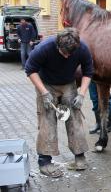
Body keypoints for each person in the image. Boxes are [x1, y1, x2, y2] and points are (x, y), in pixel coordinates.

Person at [25, 28, 93, 178]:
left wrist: (81, 94)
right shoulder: (44, 48)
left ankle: (80, 158)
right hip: (46, 84)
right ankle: (45, 162)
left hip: (69, 85)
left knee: (74, 118)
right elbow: (30, 69)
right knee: (47, 120)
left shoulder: (82, 48)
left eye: (71, 53)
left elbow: (88, 71)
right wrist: (44, 93)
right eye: (64, 53)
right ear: (57, 45)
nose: (68, 56)